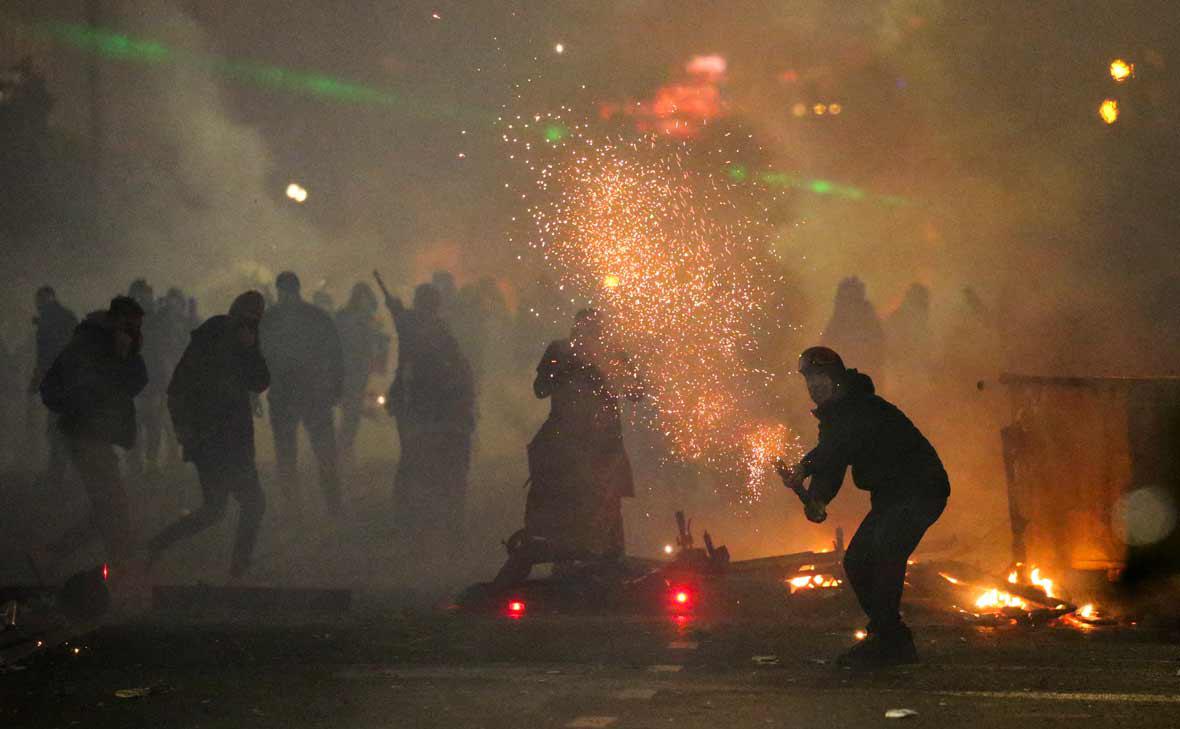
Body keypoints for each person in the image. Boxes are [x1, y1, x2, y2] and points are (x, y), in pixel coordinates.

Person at [777, 346, 949, 669]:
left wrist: (805, 467)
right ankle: (891, 638)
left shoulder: (859, 406)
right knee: (857, 561)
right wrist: (817, 498)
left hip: (919, 489)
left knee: (886, 550)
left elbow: (837, 447)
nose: (814, 385)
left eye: (820, 377)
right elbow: (833, 462)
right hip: (892, 497)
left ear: (837, 378)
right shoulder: (835, 417)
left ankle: (887, 641)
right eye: (809, 379)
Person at [493, 309, 643, 587]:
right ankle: (564, 558)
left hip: (601, 442)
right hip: (565, 440)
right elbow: (540, 388)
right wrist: (567, 372)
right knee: (558, 500)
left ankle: (603, 562)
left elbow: (637, 391)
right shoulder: (560, 351)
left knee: (604, 502)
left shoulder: (610, 353)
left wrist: (611, 371)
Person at [147, 292, 269, 578]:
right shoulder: (210, 338)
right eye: (250, 316)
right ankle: (239, 566)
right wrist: (184, 428)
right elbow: (178, 386)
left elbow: (260, 380)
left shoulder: (245, 340)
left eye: (256, 318)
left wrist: (251, 348)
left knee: (215, 509)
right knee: (250, 503)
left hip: (227, 438)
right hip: (216, 439)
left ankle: (157, 544)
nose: (252, 322)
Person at [38, 296, 148, 570]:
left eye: (136, 328)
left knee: (109, 505)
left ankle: (54, 556)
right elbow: (91, 388)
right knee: (112, 504)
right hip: (85, 434)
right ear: (115, 320)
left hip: (95, 435)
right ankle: (120, 564)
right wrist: (119, 359)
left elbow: (135, 383)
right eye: (129, 326)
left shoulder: (114, 344)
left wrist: (128, 354)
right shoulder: (88, 343)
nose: (132, 332)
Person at [376, 276, 475, 561]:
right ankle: (440, 525)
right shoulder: (442, 332)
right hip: (435, 408)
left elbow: (401, 320)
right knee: (440, 468)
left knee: (412, 463)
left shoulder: (414, 326)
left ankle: (410, 522)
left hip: (419, 407)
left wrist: (394, 306)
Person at [260, 271, 344, 517]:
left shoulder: (271, 318)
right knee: (324, 451)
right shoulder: (317, 317)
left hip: (285, 393)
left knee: (287, 453)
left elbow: (258, 355)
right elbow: (336, 354)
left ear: (280, 290)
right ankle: (333, 504)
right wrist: (337, 387)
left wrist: (255, 389)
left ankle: (292, 507)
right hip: (314, 393)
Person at [28, 285, 78, 485]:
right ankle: (64, 471)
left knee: (57, 428)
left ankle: (58, 472)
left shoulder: (48, 321)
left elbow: (44, 357)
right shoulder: (67, 317)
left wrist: (34, 382)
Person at [334, 283, 382, 472]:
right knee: (351, 413)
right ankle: (344, 451)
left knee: (351, 413)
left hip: (356, 372)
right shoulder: (355, 319)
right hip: (350, 371)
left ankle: (343, 450)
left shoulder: (350, 317)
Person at [126, 279, 168, 476]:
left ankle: (149, 462)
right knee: (137, 424)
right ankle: (138, 463)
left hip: (152, 379)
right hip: (135, 380)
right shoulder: (127, 321)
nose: (144, 300)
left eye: (146, 296)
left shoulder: (157, 320)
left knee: (152, 424)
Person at [820, 276, 886, 384]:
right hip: (846, 374)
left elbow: (878, 344)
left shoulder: (867, 315)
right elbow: (828, 343)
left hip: (867, 372)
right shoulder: (839, 317)